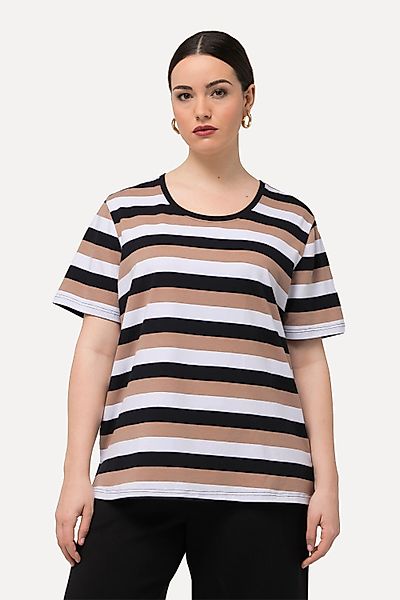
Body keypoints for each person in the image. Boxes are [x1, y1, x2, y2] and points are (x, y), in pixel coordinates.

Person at [53, 30, 346, 600]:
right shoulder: (124, 213)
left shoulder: (292, 221)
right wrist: (74, 476)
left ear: (248, 98)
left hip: (264, 482)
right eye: (184, 95)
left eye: (218, 91)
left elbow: (308, 357)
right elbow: (94, 349)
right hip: (138, 474)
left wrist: (327, 484)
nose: (201, 110)